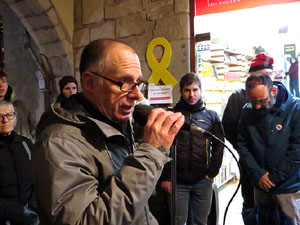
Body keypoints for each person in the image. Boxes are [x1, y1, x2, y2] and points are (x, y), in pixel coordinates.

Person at [32, 39, 185, 225]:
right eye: (125, 83)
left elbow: (135, 205)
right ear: (89, 82)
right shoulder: (58, 143)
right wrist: (151, 153)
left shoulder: (115, 121)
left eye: (138, 83)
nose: (137, 95)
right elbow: (86, 221)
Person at [160, 73, 224, 225]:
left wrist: (212, 172)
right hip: (177, 182)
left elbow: (219, 145)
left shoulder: (211, 116)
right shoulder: (171, 116)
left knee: (201, 221)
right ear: (181, 91)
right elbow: (163, 147)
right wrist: (166, 177)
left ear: (200, 90)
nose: (191, 94)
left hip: (203, 180)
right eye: (187, 90)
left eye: (195, 90)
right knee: (177, 221)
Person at [237, 74, 300, 225]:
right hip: (261, 187)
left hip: (288, 188)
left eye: (262, 101)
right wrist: (258, 175)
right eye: (253, 102)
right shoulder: (247, 111)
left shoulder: (295, 109)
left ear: (273, 91)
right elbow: (243, 146)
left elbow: (297, 150)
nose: (257, 106)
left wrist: (273, 178)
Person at [221, 52, 274, 225]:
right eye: (261, 74)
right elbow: (228, 127)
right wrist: (244, 150)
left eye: (268, 74)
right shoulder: (238, 97)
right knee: (250, 202)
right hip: (249, 162)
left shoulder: (280, 97)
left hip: (274, 165)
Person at [0, 101, 39, 225]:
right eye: (0, 117)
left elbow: (36, 178)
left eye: (9, 115)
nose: (5, 120)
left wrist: (33, 209)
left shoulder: (25, 144)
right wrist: (16, 212)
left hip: (29, 216)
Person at [0, 70, 34, 140]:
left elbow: (33, 130)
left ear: (7, 85)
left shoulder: (20, 107)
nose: (1, 85)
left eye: (3, 81)